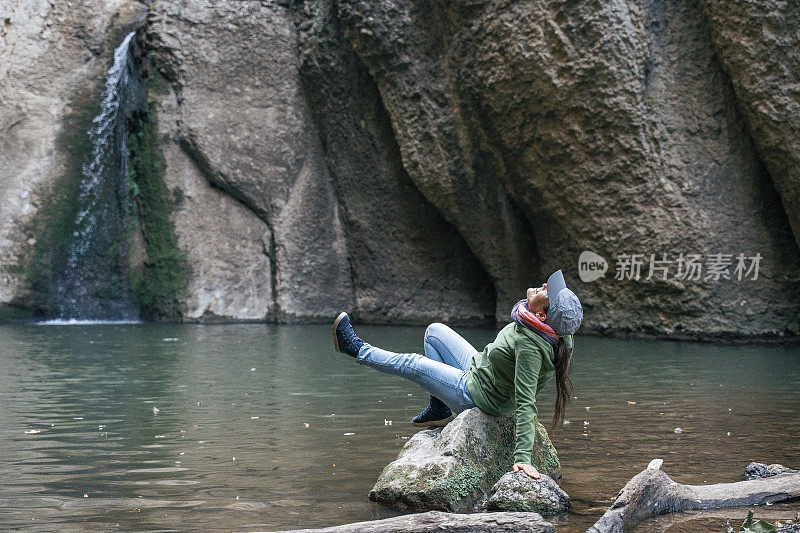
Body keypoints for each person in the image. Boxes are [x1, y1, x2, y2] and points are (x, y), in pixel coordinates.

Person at [332, 270, 582, 479]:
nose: (543, 285)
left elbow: (527, 402)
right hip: (481, 367)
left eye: (547, 292)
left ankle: (356, 349)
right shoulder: (556, 331)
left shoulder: (531, 346)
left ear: (541, 316)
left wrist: (523, 459)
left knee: (413, 363)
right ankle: (439, 409)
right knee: (434, 331)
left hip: (478, 394)